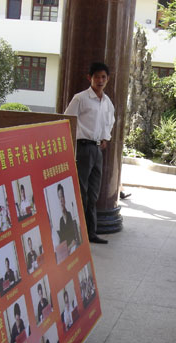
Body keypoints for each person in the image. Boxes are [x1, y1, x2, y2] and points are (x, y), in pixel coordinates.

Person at [64, 61, 115, 245]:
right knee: (82, 192)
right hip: (83, 148)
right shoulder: (81, 98)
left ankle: (90, 233)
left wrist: (105, 138)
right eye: (96, 77)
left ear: (108, 79)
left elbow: (110, 121)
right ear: (89, 78)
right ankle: (77, 233)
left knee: (93, 193)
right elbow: (67, 120)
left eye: (103, 77)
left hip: (97, 149)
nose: (100, 80)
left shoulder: (107, 102)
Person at [56, 183, 78, 249]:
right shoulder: (61, 221)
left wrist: (71, 246)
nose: (61, 200)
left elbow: (74, 237)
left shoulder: (69, 214)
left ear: (64, 198)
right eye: (59, 197)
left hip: (72, 247)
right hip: (67, 250)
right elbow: (62, 242)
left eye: (62, 196)